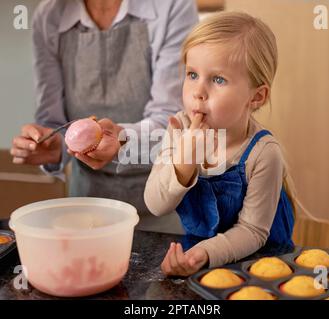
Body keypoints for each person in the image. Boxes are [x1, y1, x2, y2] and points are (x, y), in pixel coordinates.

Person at [10, 0, 199, 223]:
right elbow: (53, 121)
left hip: (164, 200)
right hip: (87, 206)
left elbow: (172, 121)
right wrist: (55, 146)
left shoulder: (173, 6)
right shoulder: (49, 16)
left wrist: (120, 140)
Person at [144, 12, 296, 276]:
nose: (198, 91)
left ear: (256, 97)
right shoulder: (179, 129)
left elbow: (252, 231)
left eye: (218, 80)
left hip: (260, 264)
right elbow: (156, 205)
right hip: (201, 257)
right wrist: (184, 162)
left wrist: (203, 253)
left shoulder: (264, 153)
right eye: (192, 74)